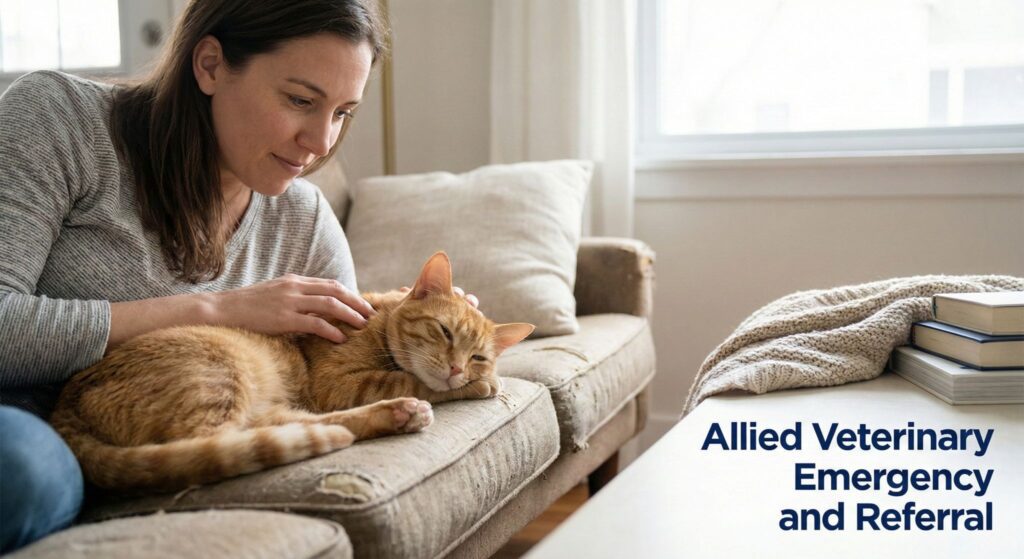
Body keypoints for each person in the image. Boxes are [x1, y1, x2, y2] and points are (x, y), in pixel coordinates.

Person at [0, 0, 479, 552]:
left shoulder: (305, 218)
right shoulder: (63, 120)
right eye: (301, 100)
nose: (321, 142)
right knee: (20, 471)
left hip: (182, 436)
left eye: (343, 112)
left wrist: (430, 322)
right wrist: (218, 308)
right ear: (209, 64)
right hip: (25, 420)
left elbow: (342, 371)